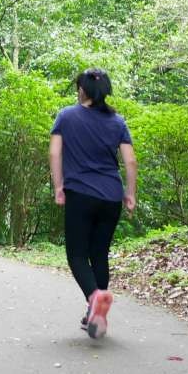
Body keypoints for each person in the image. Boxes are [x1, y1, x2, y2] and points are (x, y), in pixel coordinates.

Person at [49, 68, 137, 339]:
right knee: (99, 253)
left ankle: (94, 297)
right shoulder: (118, 121)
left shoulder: (66, 116)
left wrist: (58, 186)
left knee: (76, 254)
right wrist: (130, 193)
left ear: (82, 90)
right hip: (111, 196)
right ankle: (94, 315)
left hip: (81, 194)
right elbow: (130, 160)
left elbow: (55, 152)